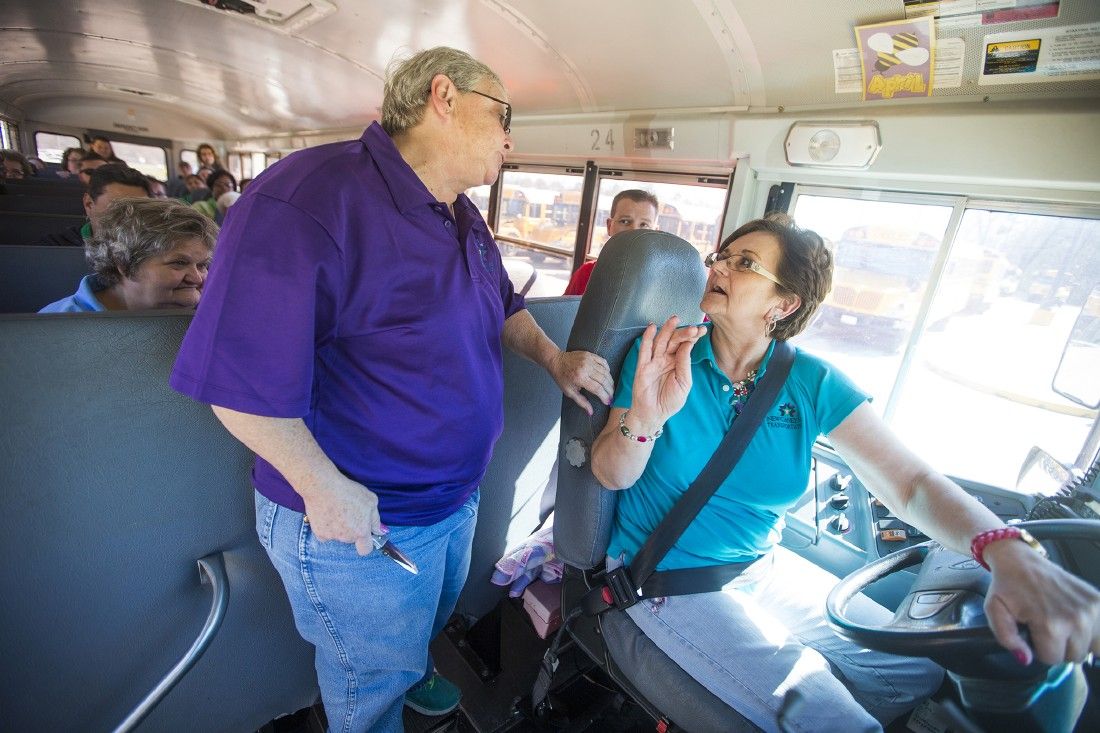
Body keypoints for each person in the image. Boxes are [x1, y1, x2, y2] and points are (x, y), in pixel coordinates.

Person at [169, 46, 613, 732]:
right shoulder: (308, 198)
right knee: (367, 681)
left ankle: (413, 668)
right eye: (504, 116)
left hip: (451, 499)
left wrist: (554, 358)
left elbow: (502, 304)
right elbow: (236, 381)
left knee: (421, 629)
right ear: (444, 96)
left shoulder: (458, 213)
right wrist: (322, 486)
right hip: (362, 515)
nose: (510, 137)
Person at [590, 213, 1100, 732]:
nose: (718, 266)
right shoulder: (663, 352)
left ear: (783, 305)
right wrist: (646, 419)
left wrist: (1006, 548)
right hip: (666, 578)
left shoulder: (811, 381)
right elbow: (611, 475)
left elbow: (911, 482)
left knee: (913, 671)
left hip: (757, 568)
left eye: (744, 263)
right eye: (720, 256)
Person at [39, 197, 217, 312]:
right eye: (179, 262)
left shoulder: (208, 315)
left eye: (202, 265)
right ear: (123, 263)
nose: (197, 278)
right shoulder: (54, 325)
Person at [563, 189, 658, 296]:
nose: (633, 232)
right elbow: (562, 311)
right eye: (625, 221)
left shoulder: (664, 282)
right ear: (609, 226)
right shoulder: (586, 273)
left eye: (644, 224)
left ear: (656, 232)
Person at [34, 163, 151, 246]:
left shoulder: (156, 249)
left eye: (138, 209)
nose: (128, 218)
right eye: (117, 209)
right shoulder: (52, 249)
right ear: (89, 204)